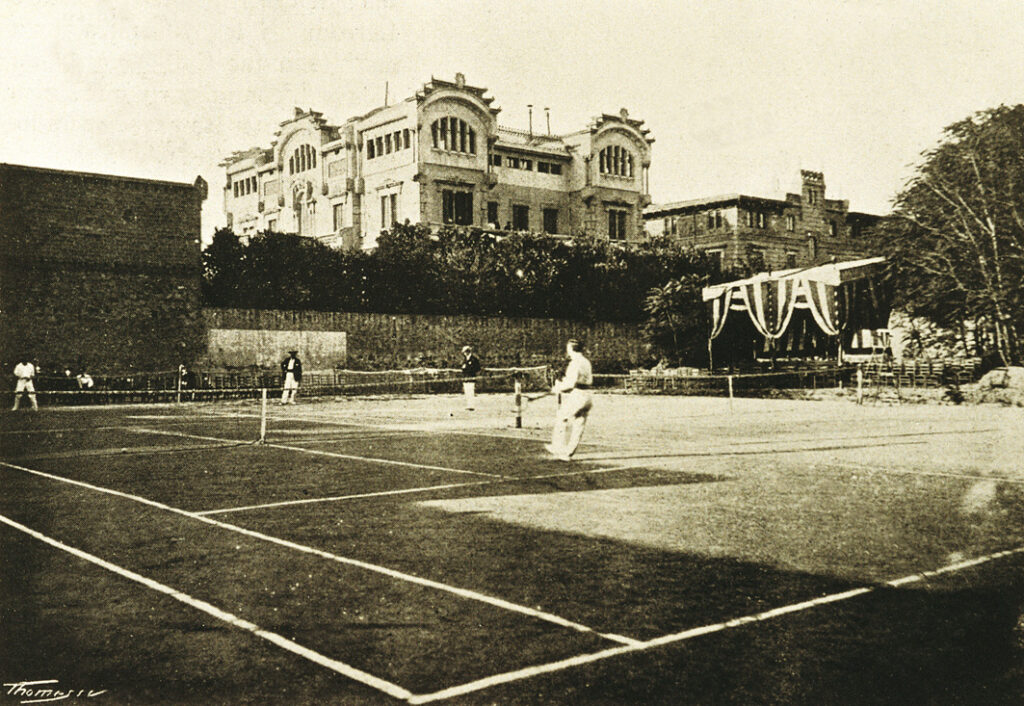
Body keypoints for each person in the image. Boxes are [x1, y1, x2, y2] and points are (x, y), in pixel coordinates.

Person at [545, 339, 593, 461]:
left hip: (578, 394)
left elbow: (570, 384)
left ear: (571, 349)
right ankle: (567, 453)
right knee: (579, 423)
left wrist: (558, 387)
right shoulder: (586, 361)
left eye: (568, 348)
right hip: (588, 395)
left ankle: (558, 448)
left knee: (561, 417)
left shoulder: (575, 363)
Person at [460, 345, 482, 410]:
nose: (464, 353)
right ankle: (468, 405)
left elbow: (477, 368)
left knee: (471, 391)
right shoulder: (465, 359)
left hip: (471, 378)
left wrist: (468, 368)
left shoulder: (474, 359)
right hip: (465, 378)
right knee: (467, 392)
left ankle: (471, 405)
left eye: (465, 352)